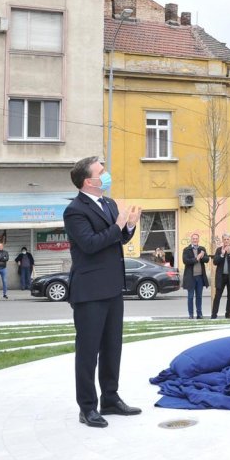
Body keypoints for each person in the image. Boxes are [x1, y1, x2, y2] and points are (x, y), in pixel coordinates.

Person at [63, 156, 142, 429]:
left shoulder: (108, 204)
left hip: (112, 287)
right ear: (89, 181)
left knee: (112, 347)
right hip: (89, 291)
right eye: (101, 171)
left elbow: (117, 239)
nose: (106, 175)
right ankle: (87, 407)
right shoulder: (75, 210)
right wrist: (118, 226)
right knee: (88, 352)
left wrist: (128, 226)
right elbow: (90, 244)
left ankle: (110, 398)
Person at [211, 233, 230, 319]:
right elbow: (215, 262)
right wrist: (221, 254)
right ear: (222, 240)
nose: (226, 241)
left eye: (228, 239)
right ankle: (214, 315)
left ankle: (228, 315)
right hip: (221, 276)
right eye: (224, 239)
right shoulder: (219, 249)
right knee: (217, 296)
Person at [182, 234, 210, 319]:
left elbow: (207, 260)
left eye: (196, 239)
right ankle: (191, 314)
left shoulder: (202, 249)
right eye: (193, 239)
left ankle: (199, 314)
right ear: (191, 240)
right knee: (190, 297)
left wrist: (202, 256)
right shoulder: (186, 249)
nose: (195, 240)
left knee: (199, 297)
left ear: (198, 240)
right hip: (191, 277)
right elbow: (185, 261)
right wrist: (196, 258)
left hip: (200, 277)